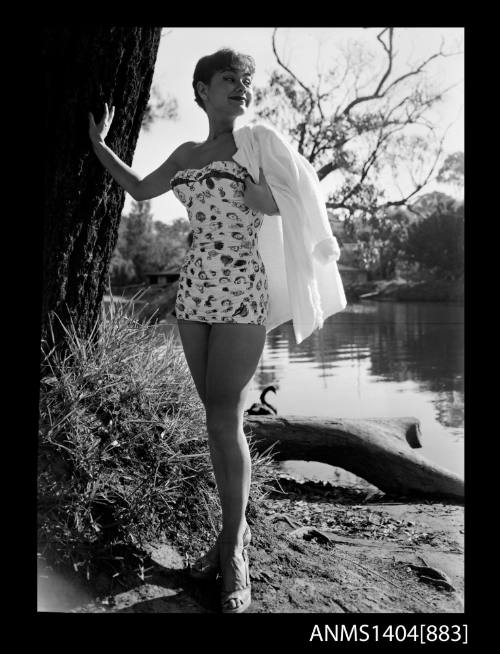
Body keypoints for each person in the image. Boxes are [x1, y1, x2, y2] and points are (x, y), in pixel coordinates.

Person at [89, 48, 281, 614]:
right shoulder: (186, 152)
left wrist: (260, 194)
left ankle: (234, 550)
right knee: (215, 421)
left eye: (245, 82)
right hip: (194, 295)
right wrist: (100, 146)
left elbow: (292, 204)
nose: (240, 89)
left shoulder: (257, 146)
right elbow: (141, 189)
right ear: (201, 89)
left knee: (226, 419)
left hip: (243, 294)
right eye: (228, 80)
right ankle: (228, 539)